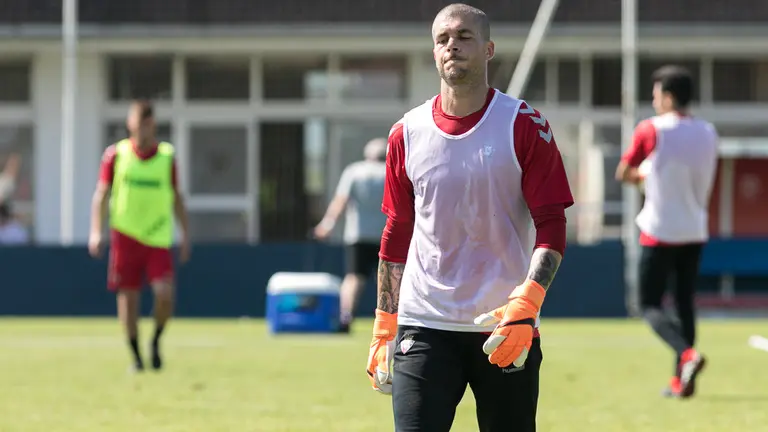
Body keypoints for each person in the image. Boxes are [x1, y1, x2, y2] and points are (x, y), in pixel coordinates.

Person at [365, 4, 574, 431]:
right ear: (433, 52)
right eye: (442, 39)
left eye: (463, 37)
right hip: (423, 325)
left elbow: (551, 224)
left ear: (489, 49)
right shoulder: (406, 132)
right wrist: (385, 323)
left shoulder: (524, 125)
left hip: (503, 326)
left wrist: (527, 302)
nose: (451, 47)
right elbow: (397, 232)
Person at [615, 65, 718, 398]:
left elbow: (624, 172)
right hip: (695, 228)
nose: (653, 100)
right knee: (685, 304)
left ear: (669, 97)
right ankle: (682, 382)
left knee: (648, 305)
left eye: (657, 94)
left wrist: (645, 179)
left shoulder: (651, 130)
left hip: (659, 229)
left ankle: (688, 356)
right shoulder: (708, 131)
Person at [89, 99, 191, 372]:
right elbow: (101, 195)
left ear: (152, 124)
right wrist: (96, 231)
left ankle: (156, 339)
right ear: (130, 123)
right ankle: (135, 356)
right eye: (137, 121)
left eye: (147, 122)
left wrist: (186, 233)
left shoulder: (167, 157)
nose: (142, 127)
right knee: (129, 298)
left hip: (157, 237)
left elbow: (177, 198)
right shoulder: (116, 155)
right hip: (125, 237)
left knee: (164, 293)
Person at [314, 138, 388, 333]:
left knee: (354, 277)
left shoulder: (354, 171)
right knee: (387, 278)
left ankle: (346, 316)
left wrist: (327, 224)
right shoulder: (391, 171)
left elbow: (340, 200)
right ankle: (388, 319)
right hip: (386, 235)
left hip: (358, 234)